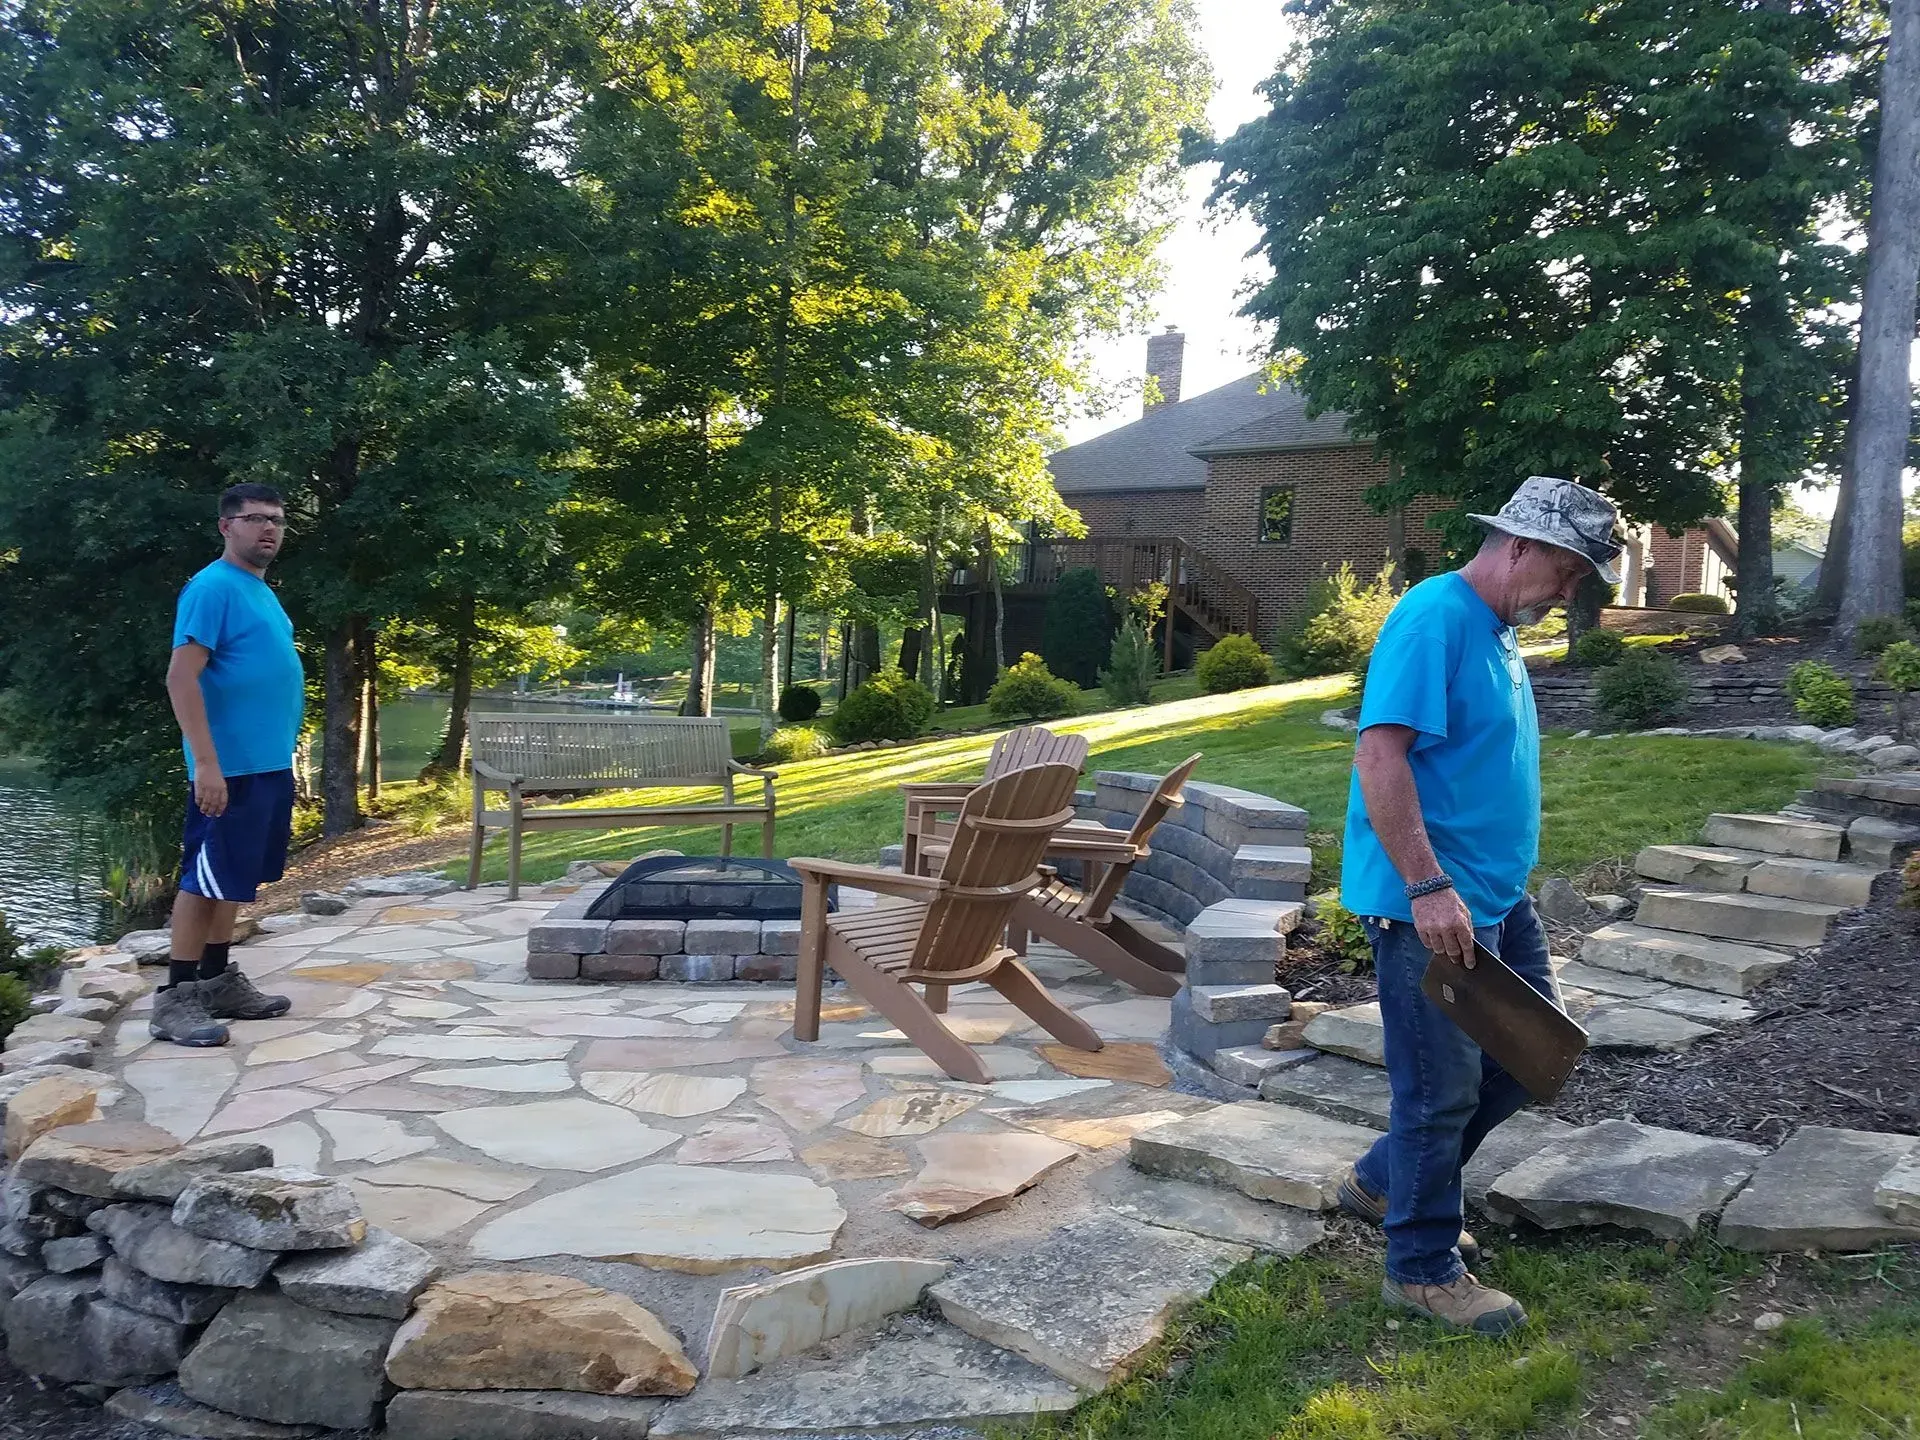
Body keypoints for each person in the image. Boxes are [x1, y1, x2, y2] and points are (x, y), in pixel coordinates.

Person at [1337, 475, 1622, 1335]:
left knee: (1538, 1057)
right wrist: (1428, 888)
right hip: (1433, 904)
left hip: (1495, 898)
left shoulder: (1495, 630)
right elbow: (1380, 759)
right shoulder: (1435, 616)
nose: (1571, 592)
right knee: (1439, 1094)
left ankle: (1387, 1180)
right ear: (1520, 546)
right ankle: (1421, 1268)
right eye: (1570, 572)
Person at [152, 483, 304, 1046]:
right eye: (255, 519)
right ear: (226, 526)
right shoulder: (212, 587)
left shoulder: (260, 591)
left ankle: (217, 980)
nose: (269, 529)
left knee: (231, 881)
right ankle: (175, 1000)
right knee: (202, 881)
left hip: (265, 765)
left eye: (278, 520)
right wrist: (206, 766)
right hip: (229, 769)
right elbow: (180, 676)